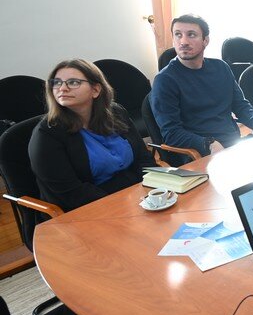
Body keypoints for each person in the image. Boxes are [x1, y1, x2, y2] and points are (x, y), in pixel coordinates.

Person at [29, 59, 157, 212]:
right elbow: (71, 193)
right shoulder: (46, 134)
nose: (62, 88)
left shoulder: (116, 113)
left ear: (96, 90)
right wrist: (124, 203)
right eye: (56, 83)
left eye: (73, 82)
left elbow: (143, 158)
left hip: (137, 196)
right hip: (90, 209)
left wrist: (154, 188)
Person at [151, 14, 253, 158]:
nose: (183, 41)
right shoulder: (164, 80)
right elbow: (171, 133)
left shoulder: (221, 67)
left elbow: (240, 104)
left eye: (191, 35)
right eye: (178, 35)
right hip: (199, 153)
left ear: (205, 40)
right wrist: (208, 143)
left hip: (234, 145)